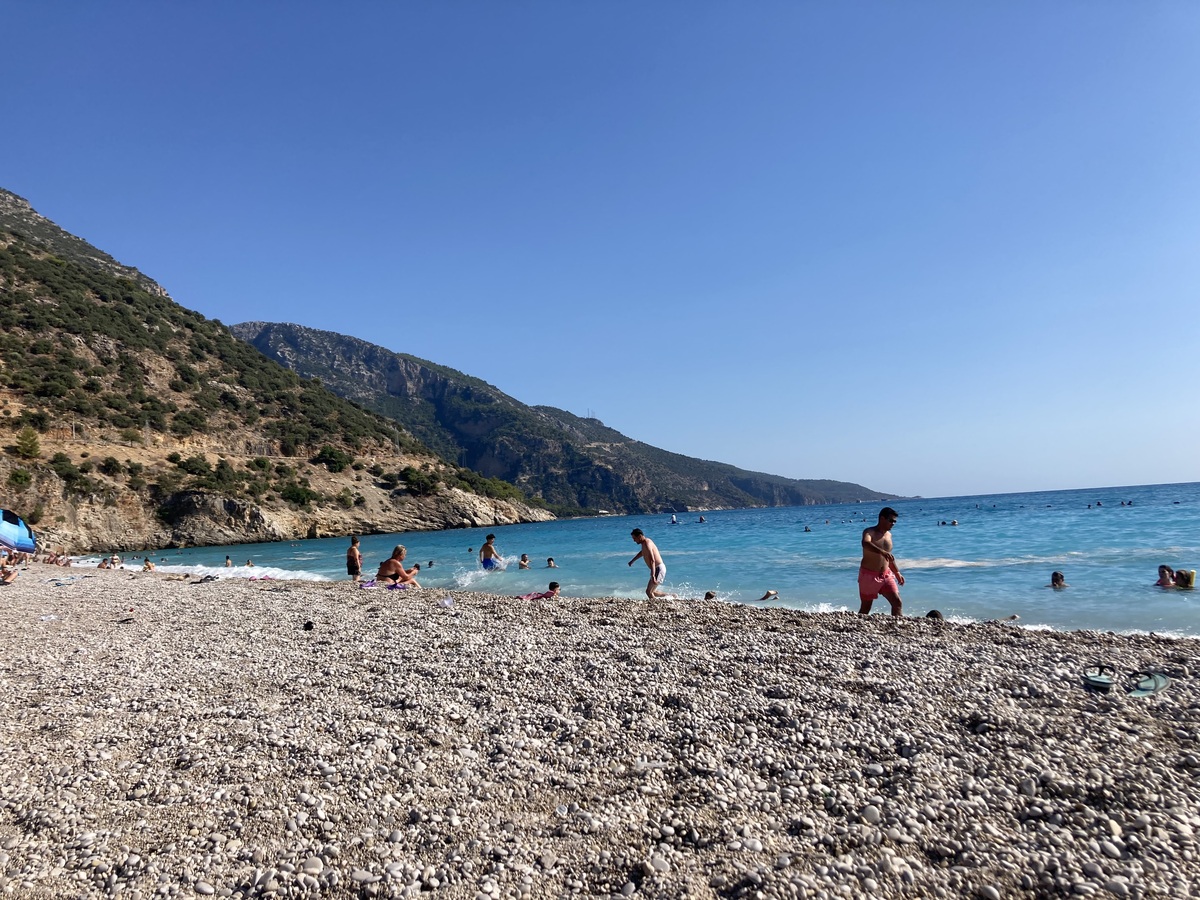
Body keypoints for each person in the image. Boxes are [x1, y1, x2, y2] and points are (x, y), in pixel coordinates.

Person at [859, 507, 904, 616]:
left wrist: (897, 573)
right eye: (891, 520)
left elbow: (889, 557)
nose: (893, 523)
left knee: (897, 602)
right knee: (866, 607)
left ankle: (896, 627)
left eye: (895, 521)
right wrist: (882, 552)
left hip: (886, 575)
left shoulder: (889, 535)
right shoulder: (869, 532)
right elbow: (865, 543)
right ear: (882, 518)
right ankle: (853, 627)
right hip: (869, 575)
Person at [628, 528, 669, 600]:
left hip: (658, 568)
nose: (634, 540)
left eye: (634, 538)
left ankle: (656, 606)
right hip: (657, 569)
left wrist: (652, 575)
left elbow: (652, 560)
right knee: (653, 592)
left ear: (640, 536)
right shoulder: (644, 544)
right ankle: (672, 597)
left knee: (648, 592)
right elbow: (642, 552)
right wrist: (632, 560)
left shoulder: (647, 543)